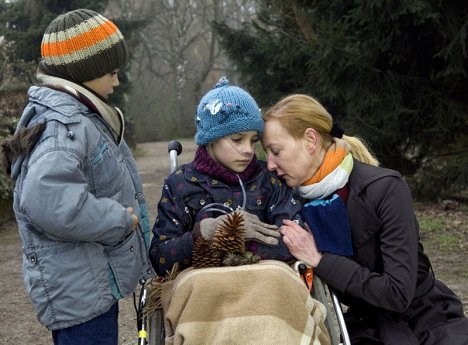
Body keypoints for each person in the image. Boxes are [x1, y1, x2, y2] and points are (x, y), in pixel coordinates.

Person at [261, 93, 468, 344]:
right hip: (366, 327)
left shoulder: (386, 189)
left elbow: (397, 293)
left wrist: (320, 260)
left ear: (310, 140)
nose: (270, 165)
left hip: (428, 319)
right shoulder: (290, 204)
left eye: (276, 151)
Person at [0, 9, 152, 345]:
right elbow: (46, 199)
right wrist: (118, 219)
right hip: (79, 292)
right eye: (111, 72)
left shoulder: (81, 117)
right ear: (84, 72)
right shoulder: (64, 128)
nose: (116, 81)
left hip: (88, 283)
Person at [149, 77, 304, 277]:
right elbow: (160, 258)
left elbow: (294, 242)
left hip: (266, 291)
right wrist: (203, 233)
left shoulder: (269, 179)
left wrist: (236, 244)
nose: (248, 150)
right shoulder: (180, 184)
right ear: (210, 139)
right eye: (237, 139)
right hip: (206, 296)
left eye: (254, 140)